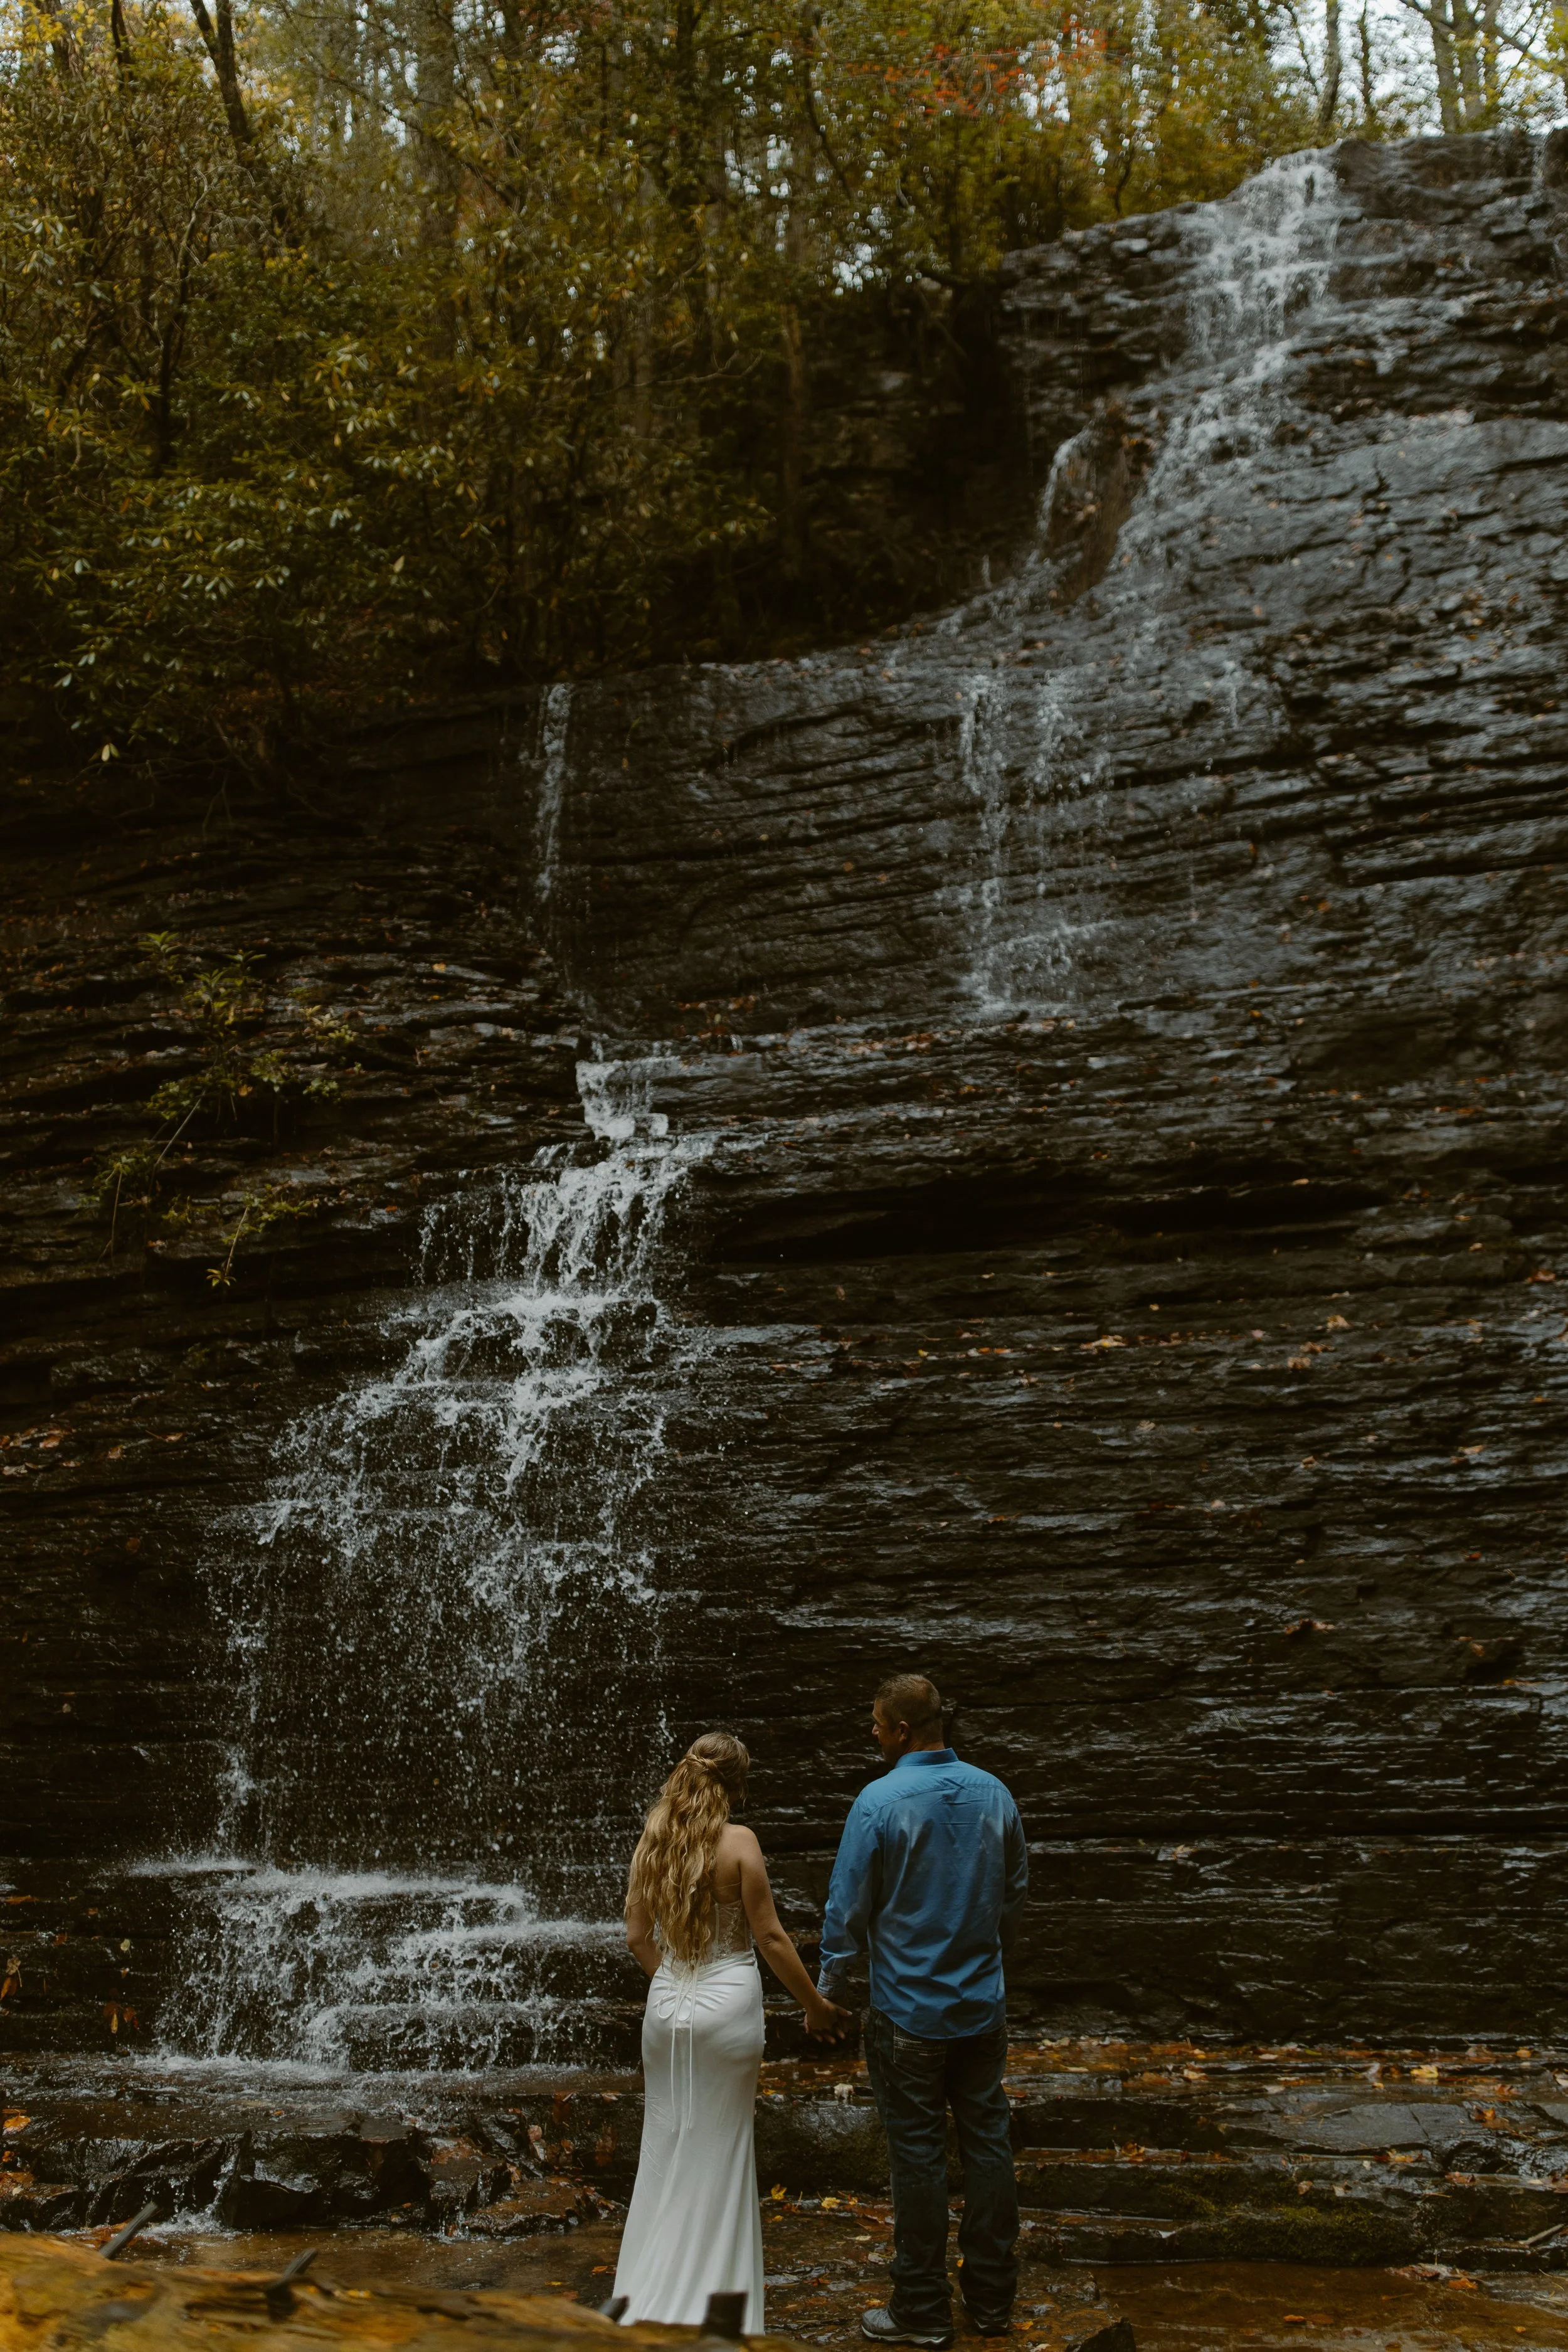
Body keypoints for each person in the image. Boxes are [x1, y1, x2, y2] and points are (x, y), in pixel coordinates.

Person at [612, 1730, 850, 2329]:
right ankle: (716, 2306)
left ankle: (644, 2295)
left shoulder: (654, 1838)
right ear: (736, 1786)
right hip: (728, 2007)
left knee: (665, 2145)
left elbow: (638, 1938)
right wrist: (815, 2004)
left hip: (666, 2009)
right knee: (722, 2147)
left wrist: (672, 1983)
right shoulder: (740, 1843)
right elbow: (769, 1937)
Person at [818, 1674, 1029, 2351]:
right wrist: (989, 1960)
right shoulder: (994, 1792)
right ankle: (994, 2302)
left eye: (877, 1724)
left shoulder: (880, 1801)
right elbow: (1014, 1893)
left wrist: (831, 1988)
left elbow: (846, 1909)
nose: (872, 1734)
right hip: (981, 2006)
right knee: (988, 2144)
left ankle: (921, 2310)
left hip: (907, 2012)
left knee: (917, 2158)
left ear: (903, 1730)